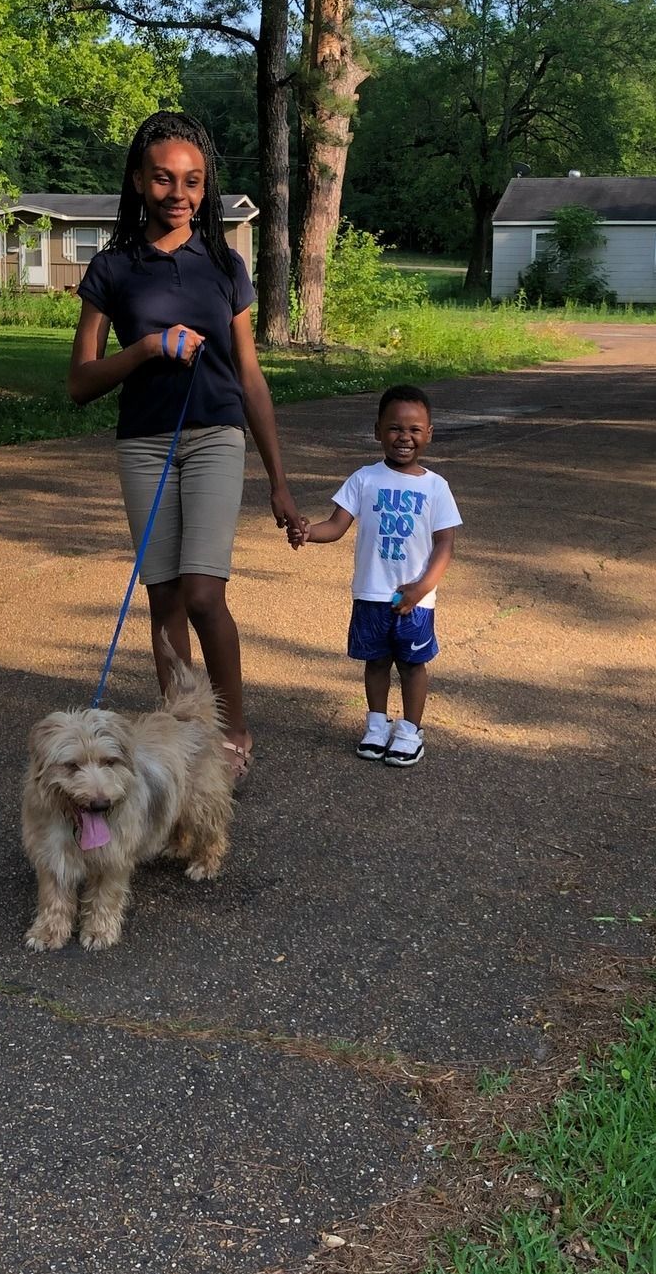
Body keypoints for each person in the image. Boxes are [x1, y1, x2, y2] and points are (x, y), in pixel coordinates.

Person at [68, 111, 301, 784]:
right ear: (139, 182)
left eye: (193, 181)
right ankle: (180, 737)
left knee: (203, 594)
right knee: (164, 597)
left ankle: (232, 731)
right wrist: (144, 349)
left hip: (215, 436)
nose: (179, 192)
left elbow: (251, 378)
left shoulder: (226, 266)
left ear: (207, 189)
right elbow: (80, 383)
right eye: (165, 178)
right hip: (143, 445)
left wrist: (279, 482)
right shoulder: (113, 268)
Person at [291, 385, 461, 766]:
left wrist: (421, 588)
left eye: (415, 430)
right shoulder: (364, 479)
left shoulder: (436, 487)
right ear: (377, 431)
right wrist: (307, 532)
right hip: (371, 593)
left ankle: (410, 730)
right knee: (377, 661)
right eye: (395, 428)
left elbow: (445, 545)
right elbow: (335, 525)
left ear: (429, 433)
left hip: (412, 599)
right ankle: (377, 725)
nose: (405, 437)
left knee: (413, 665)